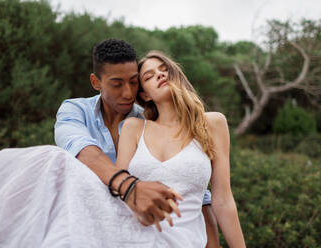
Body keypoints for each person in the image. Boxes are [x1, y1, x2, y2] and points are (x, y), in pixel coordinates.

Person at [54, 39, 220, 246]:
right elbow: (80, 148)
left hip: (144, 234)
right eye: (117, 84)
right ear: (96, 82)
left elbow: (188, 180)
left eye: (134, 82)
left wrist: (213, 241)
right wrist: (130, 186)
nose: (128, 93)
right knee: (48, 159)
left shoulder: (148, 121)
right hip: (84, 221)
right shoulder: (75, 110)